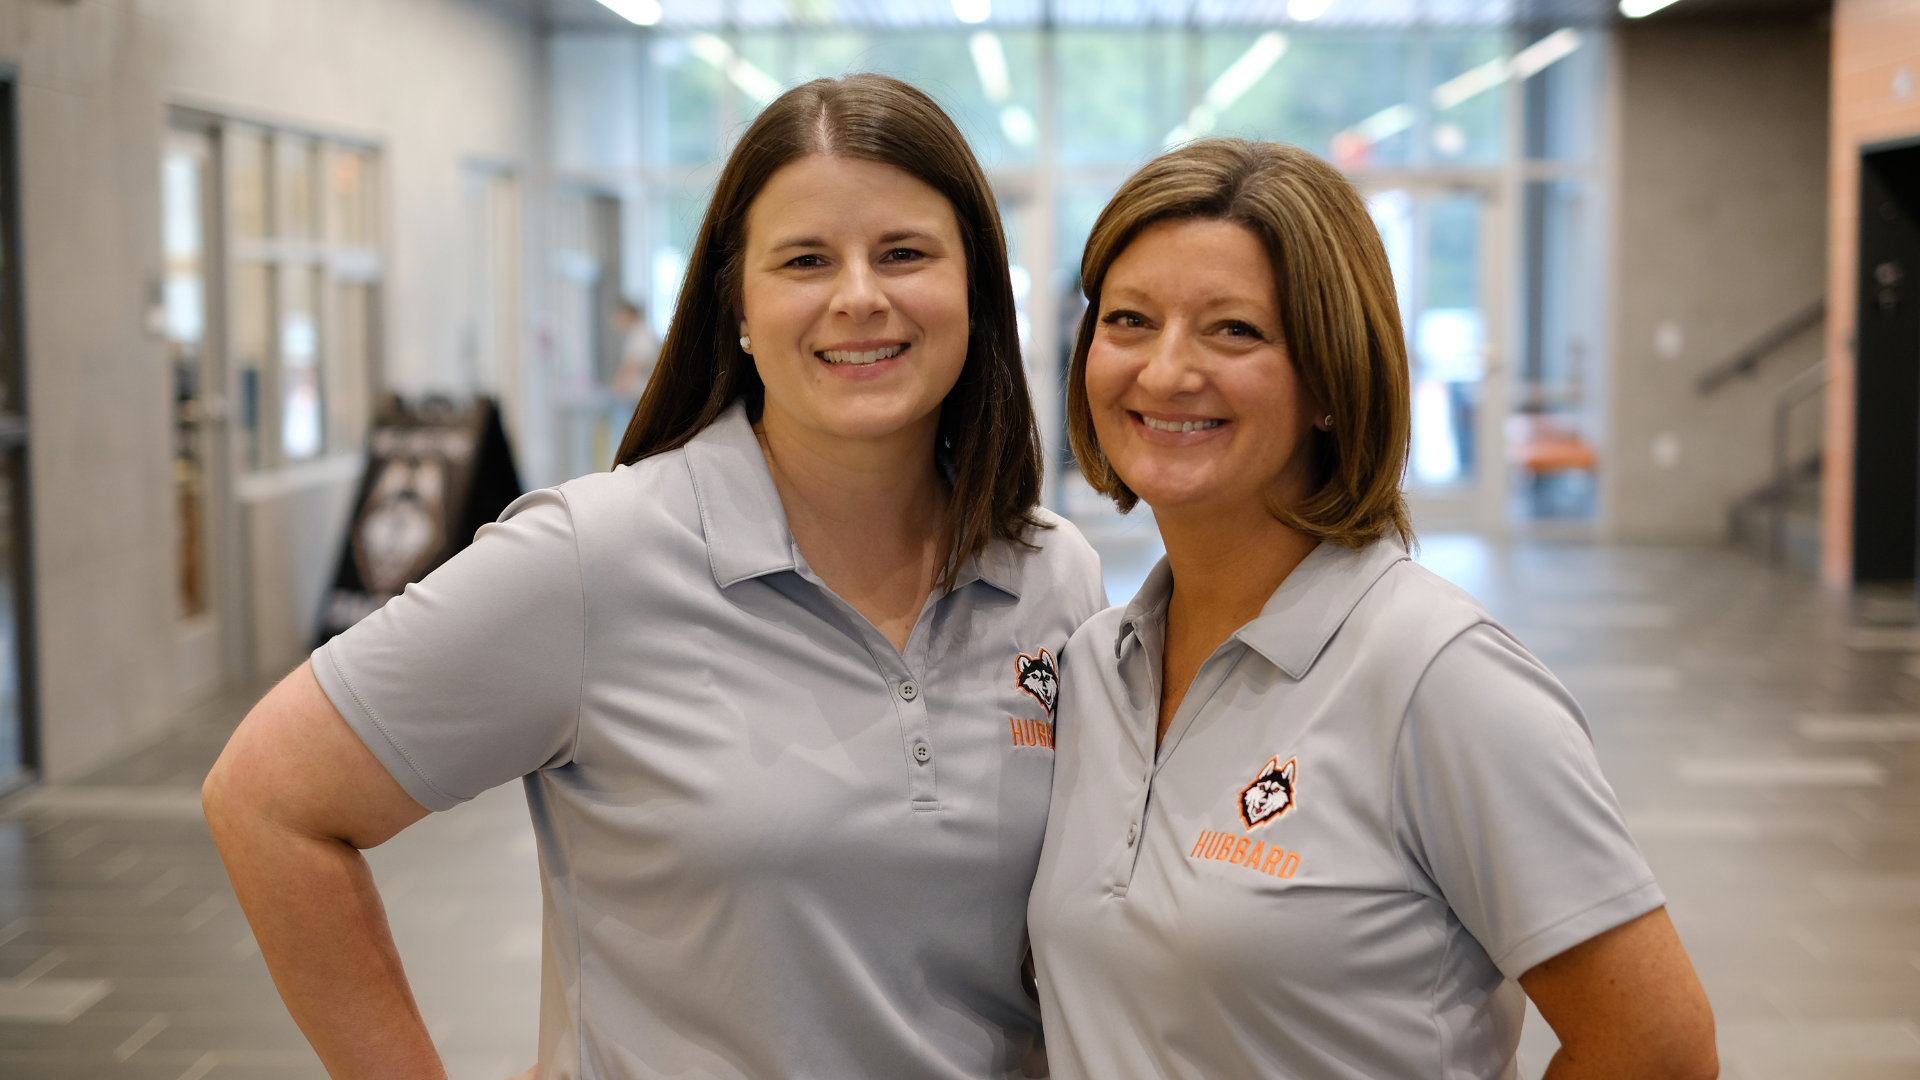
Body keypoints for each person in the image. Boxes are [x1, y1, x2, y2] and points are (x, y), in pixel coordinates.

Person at [203, 74, 1104, 1080]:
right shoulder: (596, 557)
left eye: (903, 253)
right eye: (806, 259)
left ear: (976, 289)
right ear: (741, 310)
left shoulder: (1049, 576)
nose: (859, 295)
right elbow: (267, 801)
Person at [1026, 139, 1718, 1079]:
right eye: (1129, 320)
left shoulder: (1440, 676)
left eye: (1234, 330)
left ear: (1327, 377)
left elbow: (1658, 1048)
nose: (1166, 371)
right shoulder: (1096, 668)